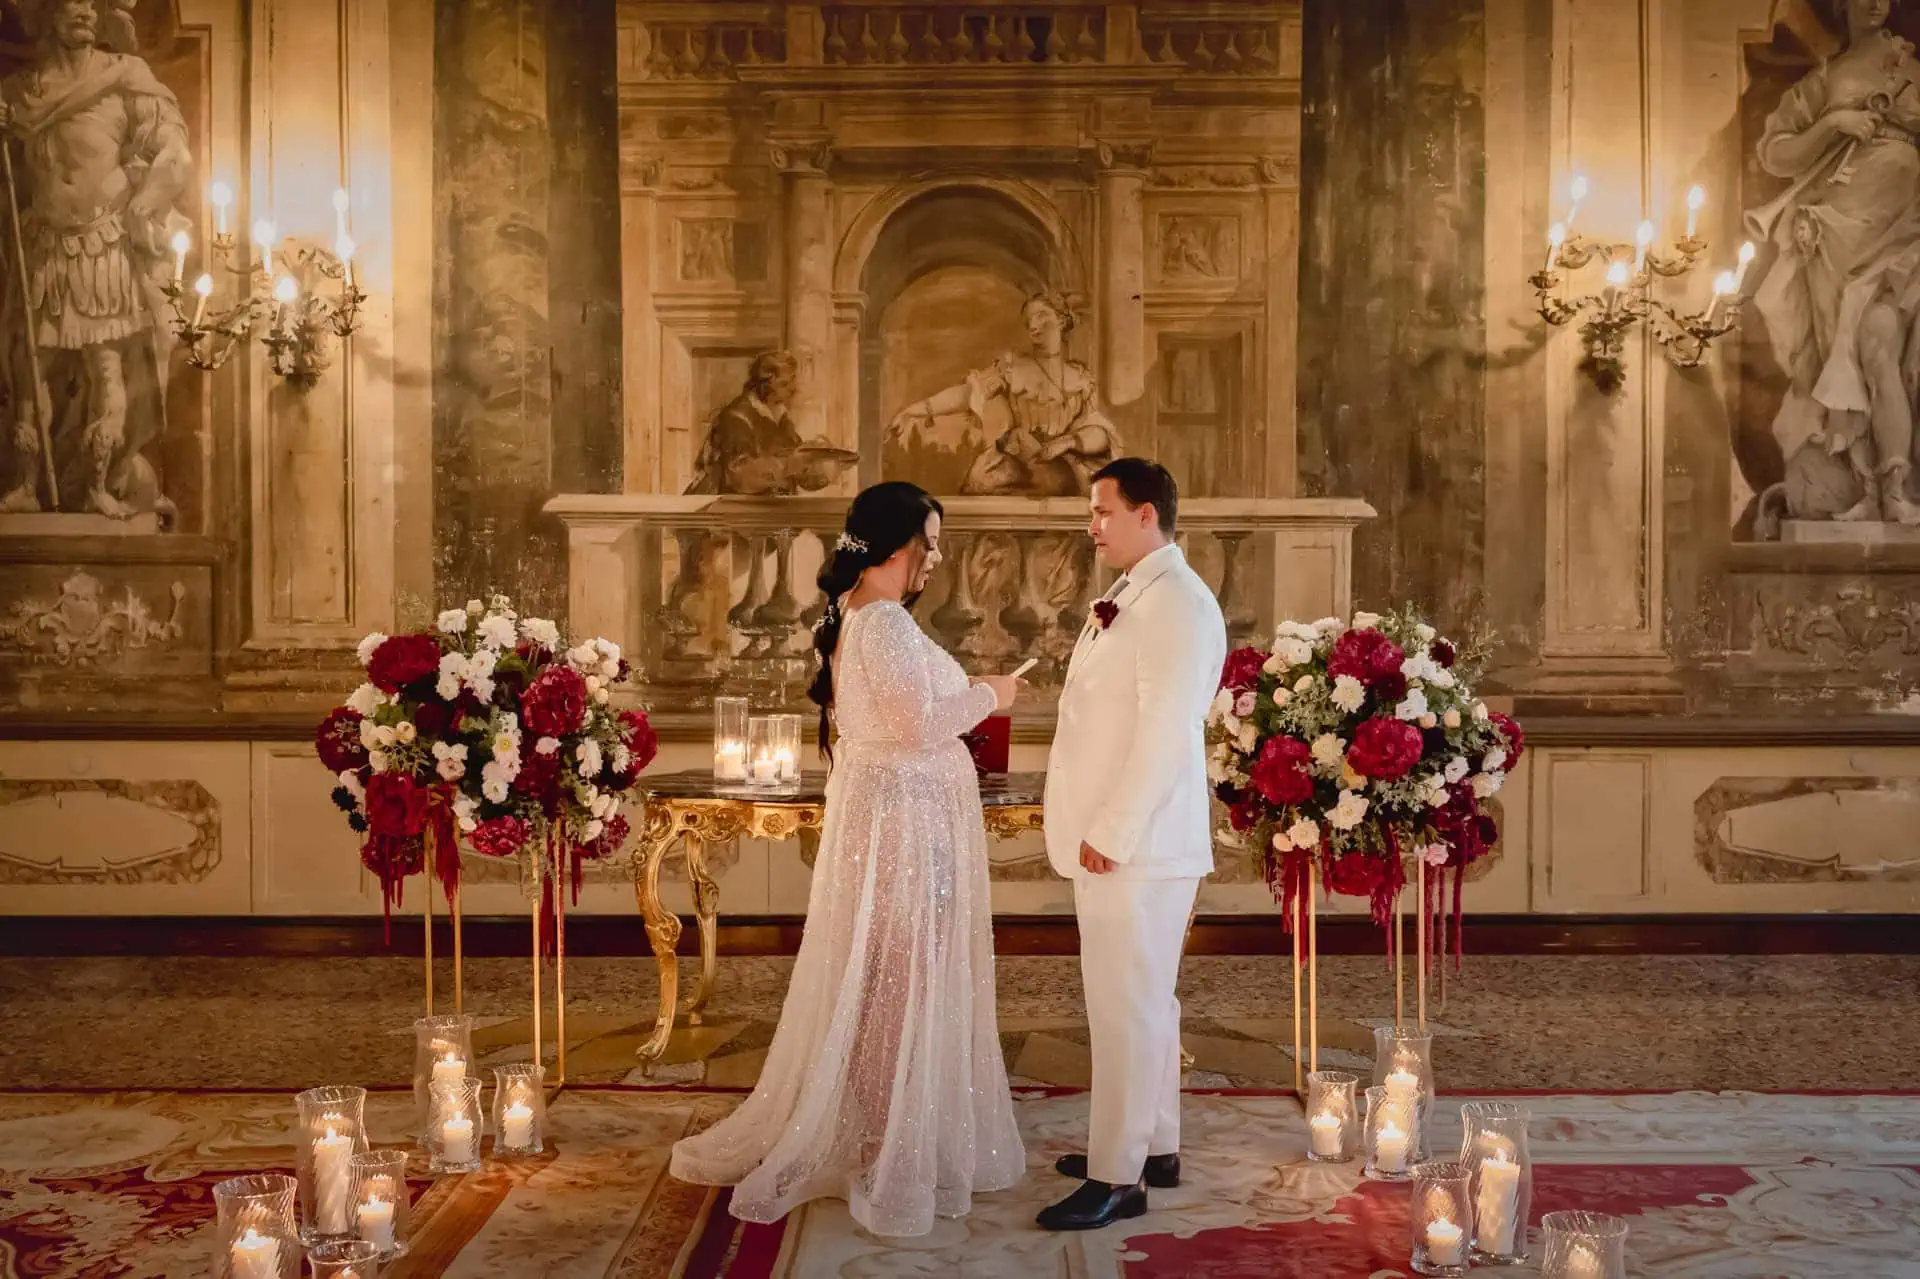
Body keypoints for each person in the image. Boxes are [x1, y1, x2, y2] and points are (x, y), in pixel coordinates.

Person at [669, 480, 1029, 1237]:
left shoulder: (865, 618)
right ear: (900, 546)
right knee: (897, 979)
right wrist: (990, 693)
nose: (938, 557)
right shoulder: (886, 623)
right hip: (902, 828)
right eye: (932, 540)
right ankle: (880, 1143)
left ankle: (888, 1132)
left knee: (893, 976)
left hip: (902, 817)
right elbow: (916, 723)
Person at [1037, 457, 1226, 1231]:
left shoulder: (1177, 602)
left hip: (1139, 842)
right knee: (1145, 1000)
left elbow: (1165, 730)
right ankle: (1155, 1147)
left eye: (1103, 511)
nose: (1093, 525)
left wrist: (1112, 830)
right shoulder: (1132, 594)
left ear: (1147, 515)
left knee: (1125, 1006)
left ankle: (1119, 1174)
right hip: (1124, 837)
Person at [1747, 0, 1920, 526]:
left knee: (1880, 342)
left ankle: (1897, 486)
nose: (1875, 4)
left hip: (1901, 231)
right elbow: (1774, 154)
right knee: (1842, 361)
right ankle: (1865, 488)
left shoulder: (1910, 68)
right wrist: (1834, 123)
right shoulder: (1823, 81)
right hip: (1834, 234)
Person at [885, 289, 1121, 496]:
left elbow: (1099, 431)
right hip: (1015, 462)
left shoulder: (1080, 377)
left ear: (1061, 320)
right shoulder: (1014, 368)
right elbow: (966, 393)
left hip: (1061, 464)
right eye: (1029, 321)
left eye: (1042, 316)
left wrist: (1067, 442)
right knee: (983, 486)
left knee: (1070, 486)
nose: (1034, 326)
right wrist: (915, 410)